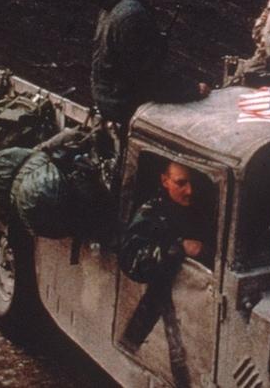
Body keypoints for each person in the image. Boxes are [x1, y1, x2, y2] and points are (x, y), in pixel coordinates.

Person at [91, 0, 209, 127]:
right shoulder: (133, 15)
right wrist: (193, 89)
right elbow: (148, 79)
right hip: (122, 104)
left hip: (107, 94)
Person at [118, 160, 208, 381]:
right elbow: (131, 259)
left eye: (193, 183)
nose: (190, 191)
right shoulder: (152, 214)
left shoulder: (198, 208)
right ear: (165, 181)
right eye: (181, 183)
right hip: (162, 309)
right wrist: (177, 249)